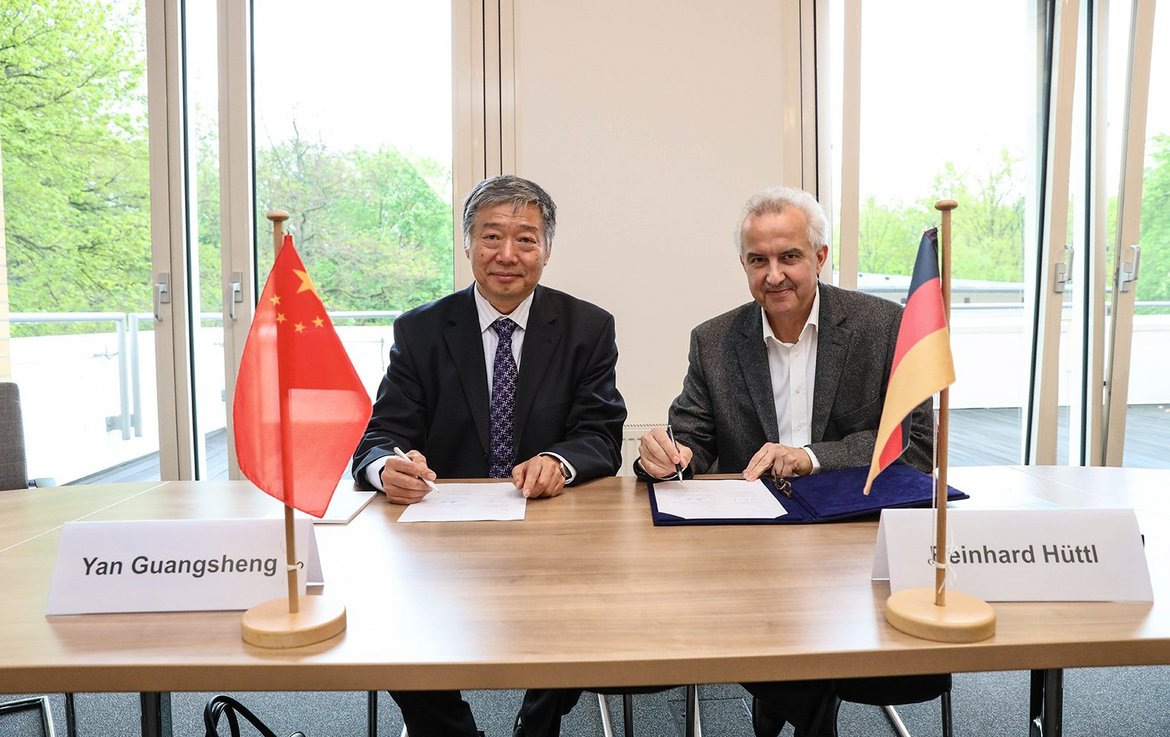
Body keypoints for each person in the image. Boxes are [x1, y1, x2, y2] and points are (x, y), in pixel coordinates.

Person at [636, 186, 933, 737]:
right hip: (753, 551)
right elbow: (693, 439)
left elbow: (915, 447)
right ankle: (797, 710)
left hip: (853, 536)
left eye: (789, 257)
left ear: (820, 257)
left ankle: (783, 705)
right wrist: (668, 455)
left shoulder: (883, 326)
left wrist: (811, 458)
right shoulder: (714, 340)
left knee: (812, 634)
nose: (774, 275)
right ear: (743, 265)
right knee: (779, 630)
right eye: (758, 260)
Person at [352, 174, 626, 737]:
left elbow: (601, 435)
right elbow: (379, 436)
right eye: (491, 236)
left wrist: (560, 462)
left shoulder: (588, 328)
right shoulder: (421, 330)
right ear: (468, 244)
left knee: (581, 613)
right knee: (395, 625)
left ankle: (537, 723)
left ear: (547, 250)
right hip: (440, 538)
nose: (507, 255)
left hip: (548, 533)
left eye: (525, 239)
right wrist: (386, 468)